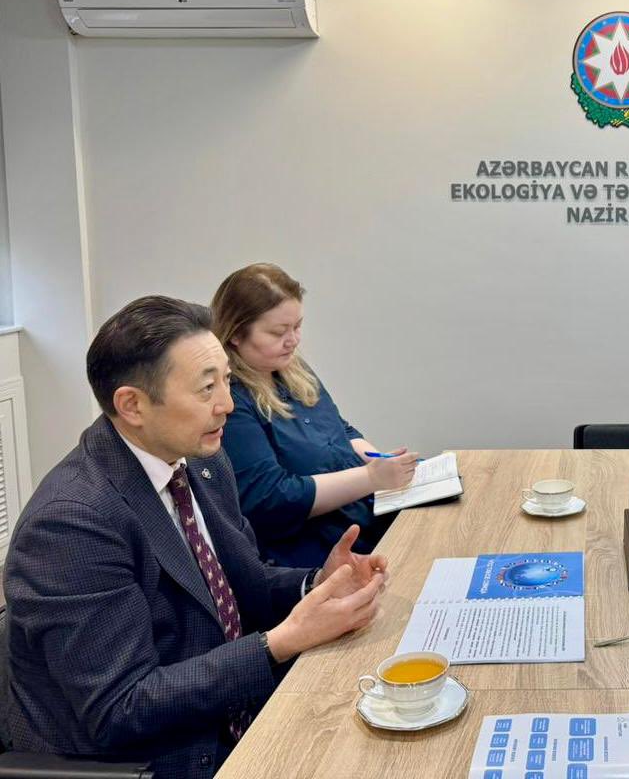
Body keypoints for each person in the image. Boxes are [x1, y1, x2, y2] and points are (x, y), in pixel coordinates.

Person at [4, 296, 388, 778]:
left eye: (226, 379)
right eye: (207, 388)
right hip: (159, 758)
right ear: (132, 405)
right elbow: (120, 708)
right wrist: (280, 642)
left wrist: (315, 584)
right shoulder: (72, 524)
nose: (227, 404)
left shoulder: (201, 461)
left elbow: (243, 582)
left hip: (232, 708)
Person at [211, 263, 418, 567]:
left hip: (365, 518)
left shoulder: (292, 369)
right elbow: (272, 498)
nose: (293, 340)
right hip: (317, 552)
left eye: (297, 326)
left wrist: (378, 459)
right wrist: (371, 477)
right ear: (236, 335)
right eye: (278, 332)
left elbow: (340, 430)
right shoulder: (233, 402)